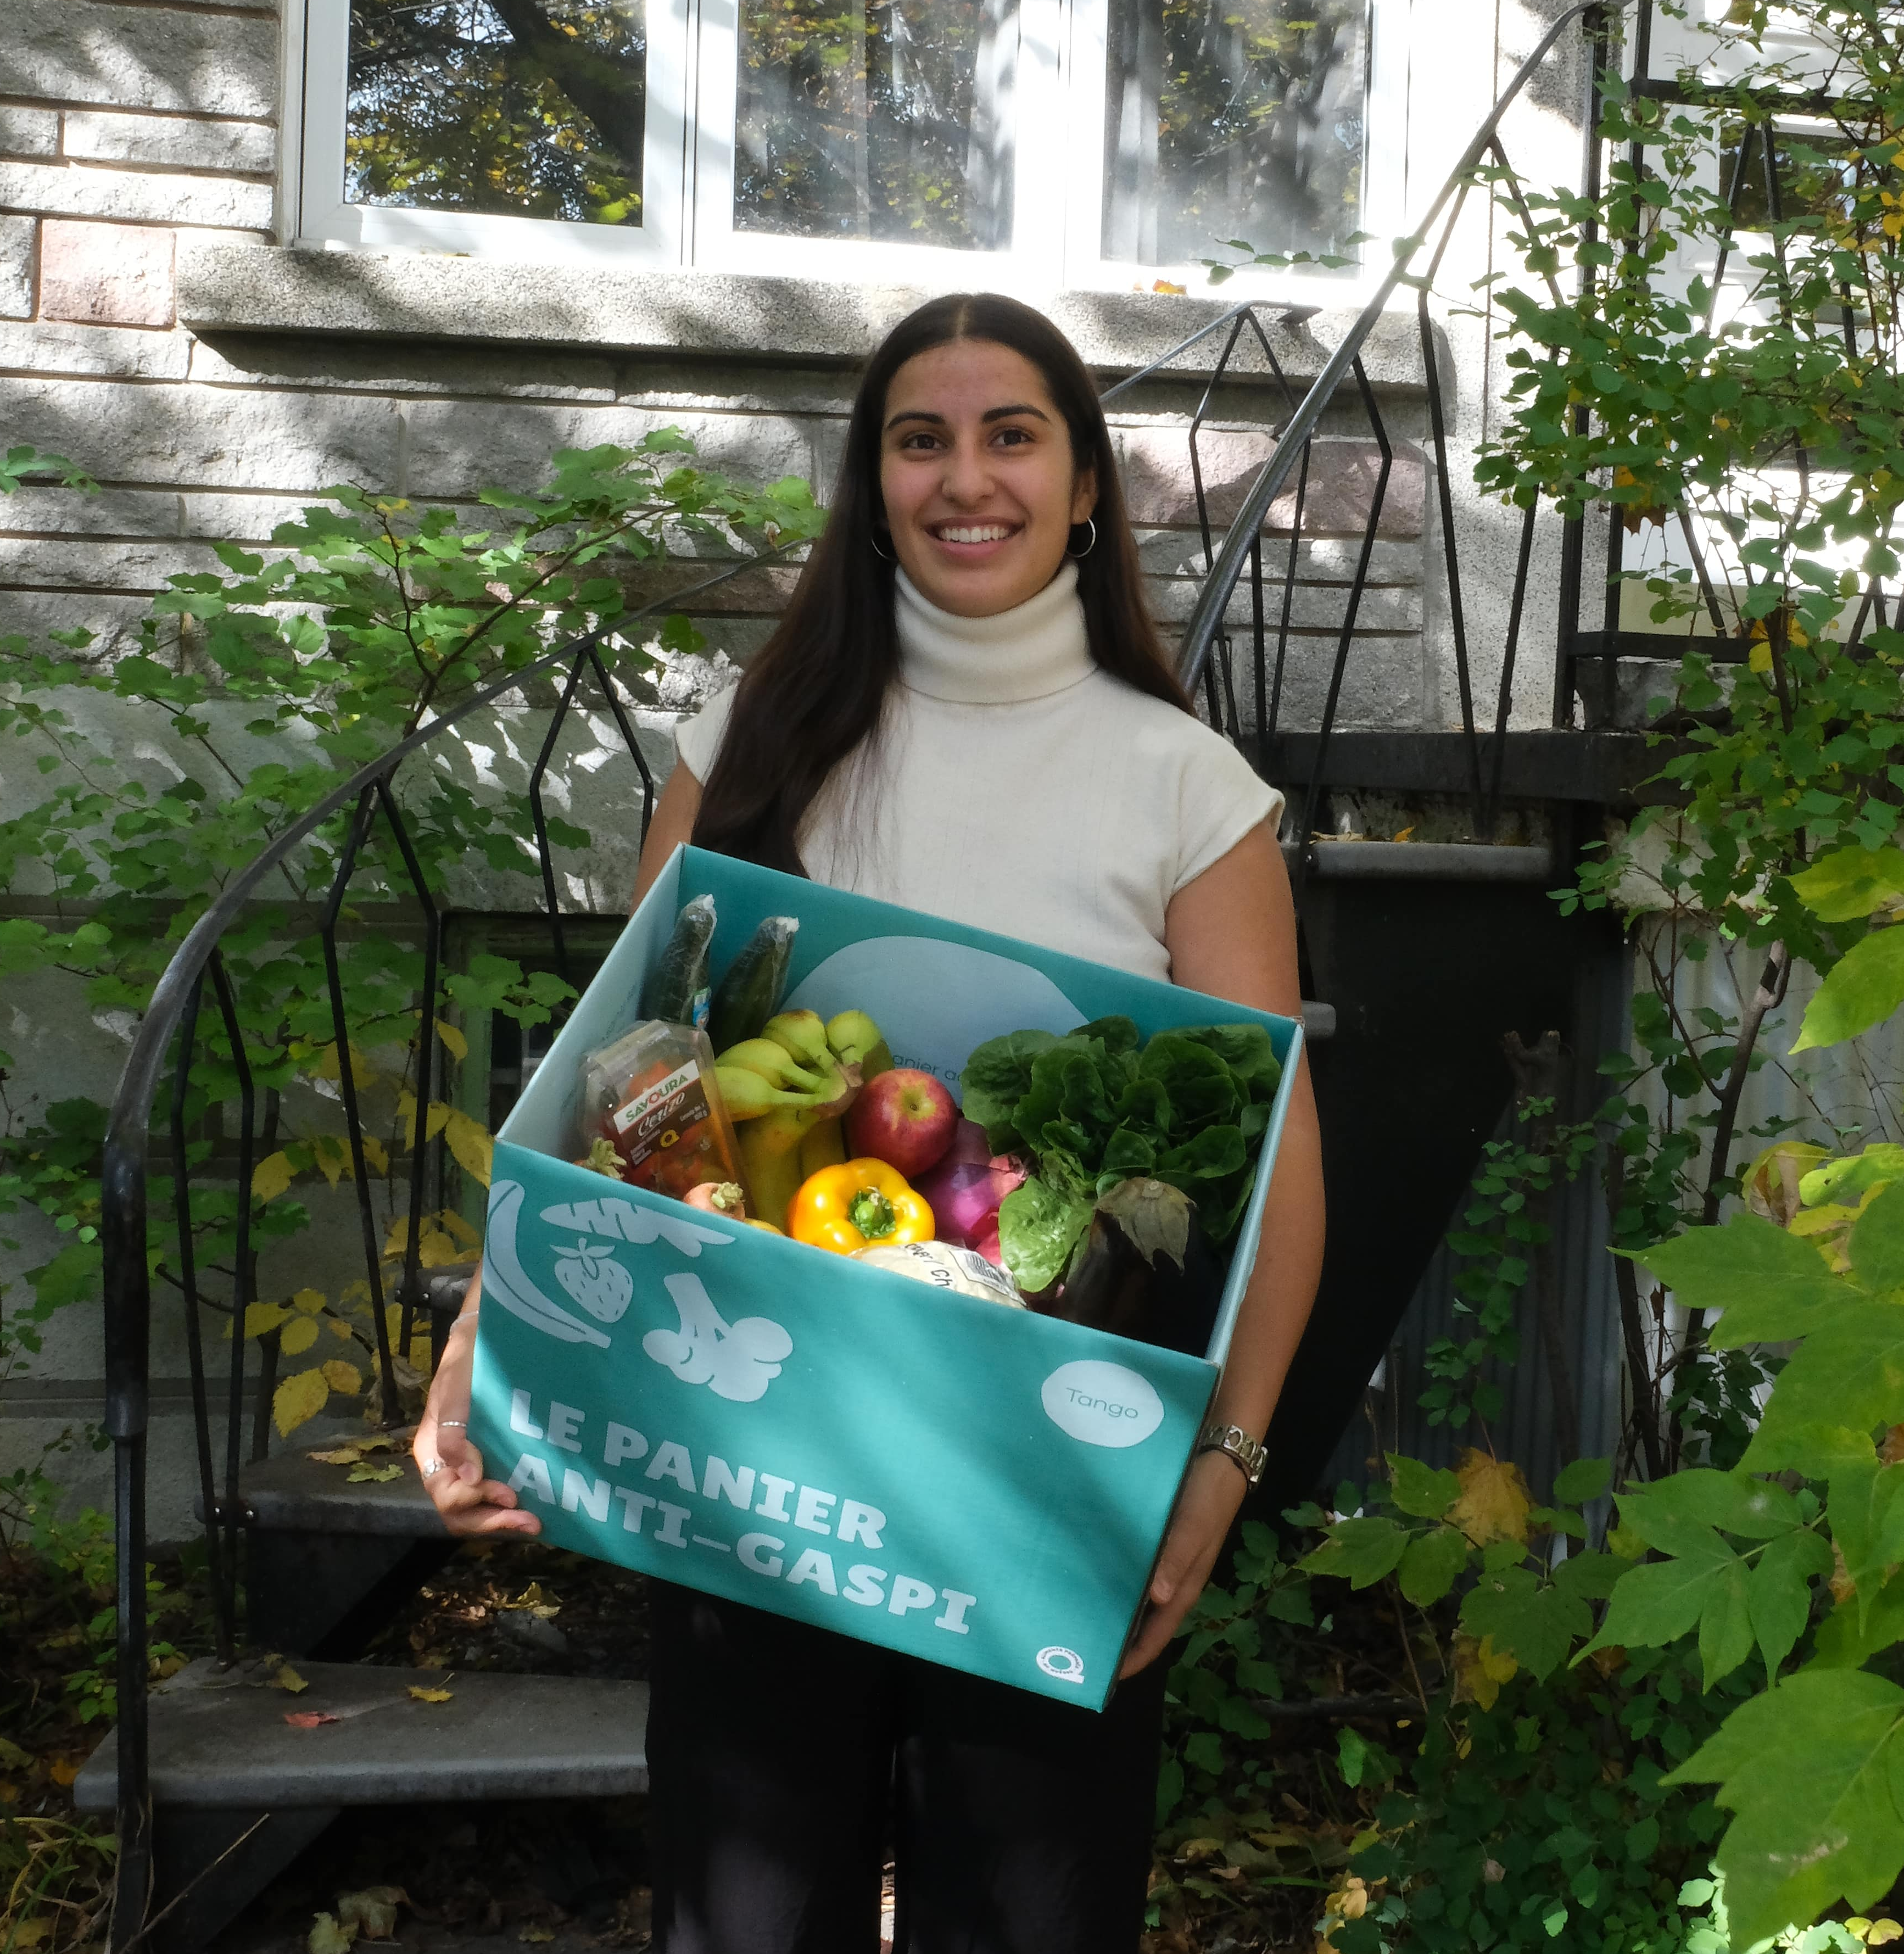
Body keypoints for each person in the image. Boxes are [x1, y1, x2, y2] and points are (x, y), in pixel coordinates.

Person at [414, 292, 1326, 1953]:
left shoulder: (1188, 786)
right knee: (748, 1920)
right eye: (920, 437)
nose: (962, 476)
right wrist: (495, 1333)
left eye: (1009, 433)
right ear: (872, 478)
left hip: (1044, 1478)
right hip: (758, 1462)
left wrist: (1223, 1465)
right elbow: (624, 1087)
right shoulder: (754, 742)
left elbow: (1275, 1182)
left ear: (1083, 485)